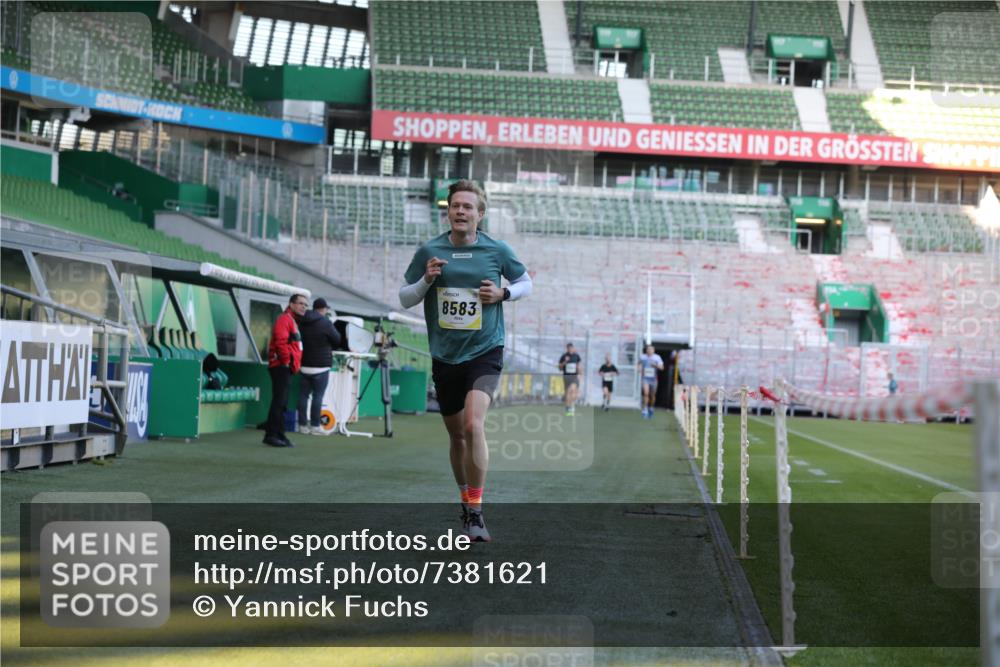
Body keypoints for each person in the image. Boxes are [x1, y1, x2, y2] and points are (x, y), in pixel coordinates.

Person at [399, 179, 532, 542]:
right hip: (445, 356)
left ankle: (476, 512)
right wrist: (427, 281)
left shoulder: (496, 250)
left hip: (485, 351)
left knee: (474, 426)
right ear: (448, 211)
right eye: (455, 206)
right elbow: (404, 298)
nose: (460, 211)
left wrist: (503, 293)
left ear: (480, 214)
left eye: (467, 207)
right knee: (457, 437)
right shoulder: (430, 249)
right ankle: (465, 500)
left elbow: (526, 283)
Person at [264, 294, 307, 447]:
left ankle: (280, 435)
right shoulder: (284, 319)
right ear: (291, 304)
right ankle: (271, 435)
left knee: (282, 403)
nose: (303, 307)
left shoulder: (292, 320)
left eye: (305, 304)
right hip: (280, 366)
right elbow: (280, 341)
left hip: (285, 367)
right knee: (279, 402)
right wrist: (287, 361)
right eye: (300, 303)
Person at [297, 297, 342, 436]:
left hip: (304, 364)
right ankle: (316, 426)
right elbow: (337, 339)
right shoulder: (325, 322)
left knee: (303, 396)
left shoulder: (302, 321)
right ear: (323, 309)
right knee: (318, 396)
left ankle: (302, 426)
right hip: (321, 366)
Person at [637, 343, 664, 419]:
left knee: (652, 396)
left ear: (653, 350)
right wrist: (639, 368)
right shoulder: (643, 357)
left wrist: (655, 365)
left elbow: (662, 368)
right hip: (645, 378)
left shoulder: (657, 358)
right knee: (646, 393)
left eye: (650, 349)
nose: (649, 351)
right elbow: (639, 363)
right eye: (647, 349)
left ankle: (651, 408)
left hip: (654, 379)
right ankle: (645, 409)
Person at [558, 343, 582, 416]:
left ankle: (572, 405)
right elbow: (560, 368)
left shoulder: (576, 356)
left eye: (571, 348)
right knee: (568, 392)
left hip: (574, 376)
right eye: (568, 348)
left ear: (573, 348)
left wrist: (580, 373)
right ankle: (568, 408)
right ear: (567, 348)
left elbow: (579, 366)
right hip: (566, 376)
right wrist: (565, 362)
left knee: (573, 391)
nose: (570, 349)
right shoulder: (563, 356)